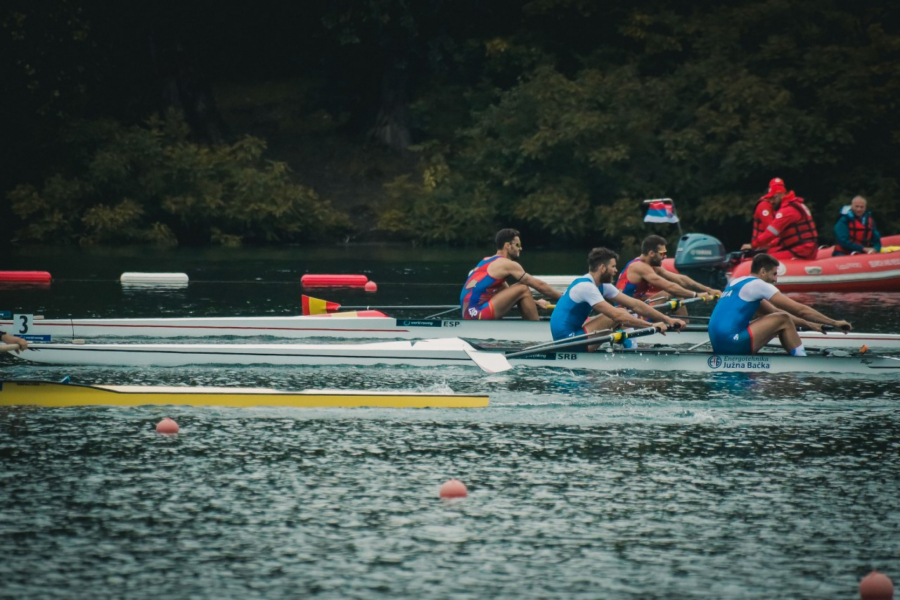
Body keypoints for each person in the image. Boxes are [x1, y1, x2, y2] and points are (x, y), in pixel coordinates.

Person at [709, 253, 851, 356]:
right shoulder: (758, 285)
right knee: (783, 319)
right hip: (732, 344)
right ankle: (802, 361)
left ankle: (797, 354)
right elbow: (800, 310)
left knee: (780, 317)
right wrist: (834, 323)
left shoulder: (736, 282)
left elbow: (772, 312)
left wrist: (811, 325)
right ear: (763, 271)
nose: (776, 279)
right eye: (774, 274)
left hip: (718, 343)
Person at [550, 247, 685, 342]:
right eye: (613, 266)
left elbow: (636, 305)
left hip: (576, 334)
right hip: (568, 339)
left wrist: (667, 319)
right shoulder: (586, 287)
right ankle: (631, 351)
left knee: (625, 312)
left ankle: (630, 347)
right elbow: (617, 316)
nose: (616, 271)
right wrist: (651, 326)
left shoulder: (602, 285)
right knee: (619, 313)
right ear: (602, 268)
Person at [460, 228, 562, 320]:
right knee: (523, 288)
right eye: (518, 245)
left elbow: (510, 296)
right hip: (479, 313)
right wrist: (565, 299)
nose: (520, 248)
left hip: (468, 314)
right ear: (507, 246)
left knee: (520, 291)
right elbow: (540, 285)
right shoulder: (507, 264)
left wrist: (535, 302)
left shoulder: (486, 261)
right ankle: (535, 330)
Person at [616, 235, 719, 316]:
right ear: (651, 253)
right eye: (662, 253)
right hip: (626, 312)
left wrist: (709, 290)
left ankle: (683, 327)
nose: (665, 256)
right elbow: (669, 286)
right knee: (672, 292)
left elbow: (681, 279)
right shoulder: (639, 267)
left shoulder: (652, 266)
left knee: (676, 293)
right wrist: (696, 295)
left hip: (637, 307)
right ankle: (682, 329)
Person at [741, 177, 818, 260]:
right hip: (807, 248)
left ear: (779, 195)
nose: (771, 202)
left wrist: (753, 245)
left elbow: (770, 233)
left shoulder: (787, 211)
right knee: (770, 253)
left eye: (773, 198)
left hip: (801, 250)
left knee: (763, 260)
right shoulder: (796, 204)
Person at [752, 179, 777, 248]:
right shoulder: (764, 205)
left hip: (772, 244)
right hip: (762, 246)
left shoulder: (777, 206)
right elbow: (771, 229)